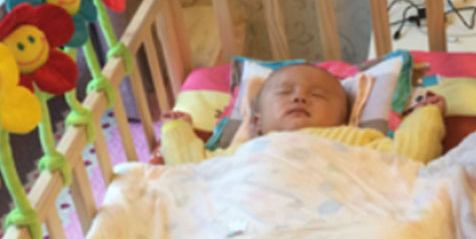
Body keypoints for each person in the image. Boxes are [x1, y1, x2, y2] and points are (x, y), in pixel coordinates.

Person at [161, 63, 445, 165]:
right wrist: (177, 130)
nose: (300, 97)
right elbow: (191, 169)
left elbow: (411, 156)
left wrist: (425, 114)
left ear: (344, 118)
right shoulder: (242, 152)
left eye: (318, 95)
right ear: (257, 122)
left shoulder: (355, 139)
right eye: (284, 92)